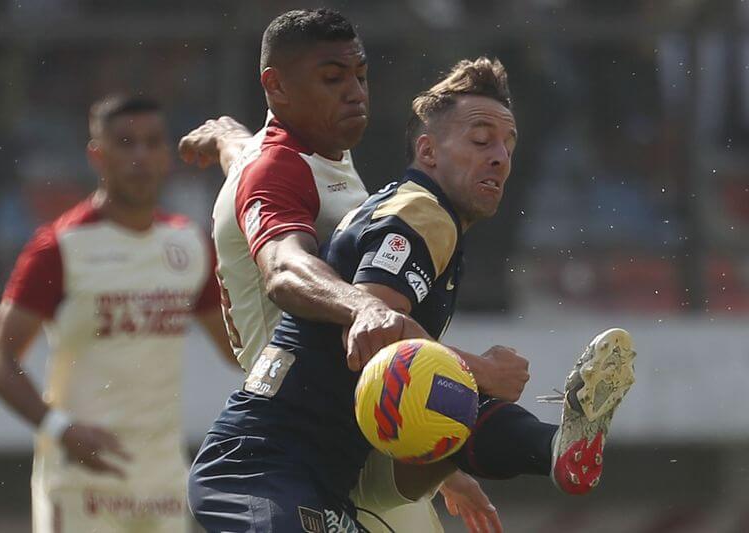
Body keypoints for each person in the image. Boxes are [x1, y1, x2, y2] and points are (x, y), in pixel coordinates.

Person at [186, 55, 636, 532]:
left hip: (328, 472)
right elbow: (371, 334)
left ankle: (555, 447)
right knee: (444, 383)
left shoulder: (400, 206)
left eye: (508, 144)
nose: (500, 156)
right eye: (481, 140)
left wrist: (225, 137)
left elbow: (249, 163)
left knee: (448, 398)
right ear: (428, 152)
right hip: (262, 466)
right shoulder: (423, 214)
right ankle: (549, 445)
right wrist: (481, 369)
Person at [179, 9, 516, 533]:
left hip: (359, 428)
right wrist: (365, 305)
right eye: (332, 78)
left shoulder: (311, 158)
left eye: (360, 75)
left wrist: (224, 138)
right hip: (301, 432)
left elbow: (246, 159)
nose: (355, 92)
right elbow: (283, 269)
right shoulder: (278, 168)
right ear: (276, 86)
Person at [0, 95, 235, 533]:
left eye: (152, 142)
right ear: (97, 155)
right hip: (82, 479)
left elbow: (238, 350)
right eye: (125, 142)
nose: (140, 155)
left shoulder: (189, 246)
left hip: (162, 478)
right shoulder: (59, 247)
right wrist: (61, 429)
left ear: (167, 154)